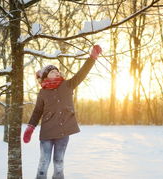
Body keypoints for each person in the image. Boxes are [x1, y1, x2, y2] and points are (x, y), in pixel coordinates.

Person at [23, 45, 102, 179]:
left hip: (63, 132)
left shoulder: (67, 85)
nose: (57, 73)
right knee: (43, 163)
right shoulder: (43, 92)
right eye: (53, 71)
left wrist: (92, 58)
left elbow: (82, 73)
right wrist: (30, 128)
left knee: (59, 163)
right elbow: (37, 112)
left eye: (57, 71)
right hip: (47, 133)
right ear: (46, 76)